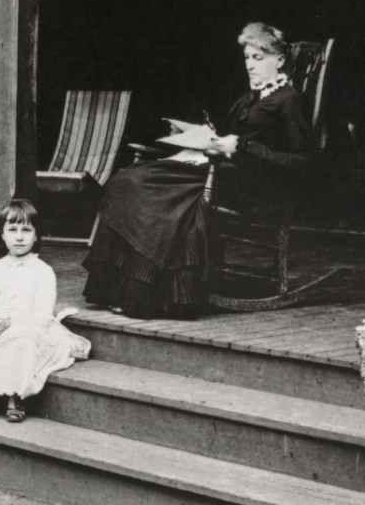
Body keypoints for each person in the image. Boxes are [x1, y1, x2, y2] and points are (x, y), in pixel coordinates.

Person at [82, 22, 313, 320]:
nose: (250, 65)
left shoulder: (289, 99)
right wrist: (195, 133)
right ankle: (123, 287)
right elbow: (224, 137)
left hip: (254, 186)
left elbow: (304, 161)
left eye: (258, 58)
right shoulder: (250, 97)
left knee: (150, 188)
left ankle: (149, 295)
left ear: (279, 61)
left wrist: (243, 145)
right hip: (224, 171)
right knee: (128, 179)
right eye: (247, 57)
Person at [0, 200, 90, 423]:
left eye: (26, 230)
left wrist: (9, 323)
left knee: (21, 337)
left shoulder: (43, 271)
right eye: (12, 230)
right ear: (2, 235)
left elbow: (42, 312)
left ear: (36, 235)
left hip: (30, 325)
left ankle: (15, 395)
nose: (19, 237)